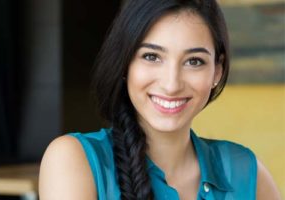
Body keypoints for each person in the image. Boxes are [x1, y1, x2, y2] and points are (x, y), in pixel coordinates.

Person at [39, 0, 281, 199]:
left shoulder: (246, 172)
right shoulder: (74, 159)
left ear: (217, 71)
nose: (171, 84)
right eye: (152, 56)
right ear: (125, 63)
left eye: (194, 61)